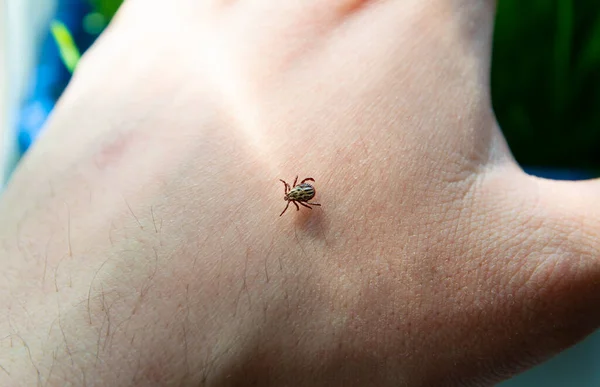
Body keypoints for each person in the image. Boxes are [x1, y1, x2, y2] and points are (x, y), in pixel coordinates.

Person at [1, 0, 599, 385]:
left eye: (297, 197)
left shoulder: (302, 196)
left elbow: (306, 190)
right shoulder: (301, 197)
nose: (297, 200)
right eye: (297, 198)